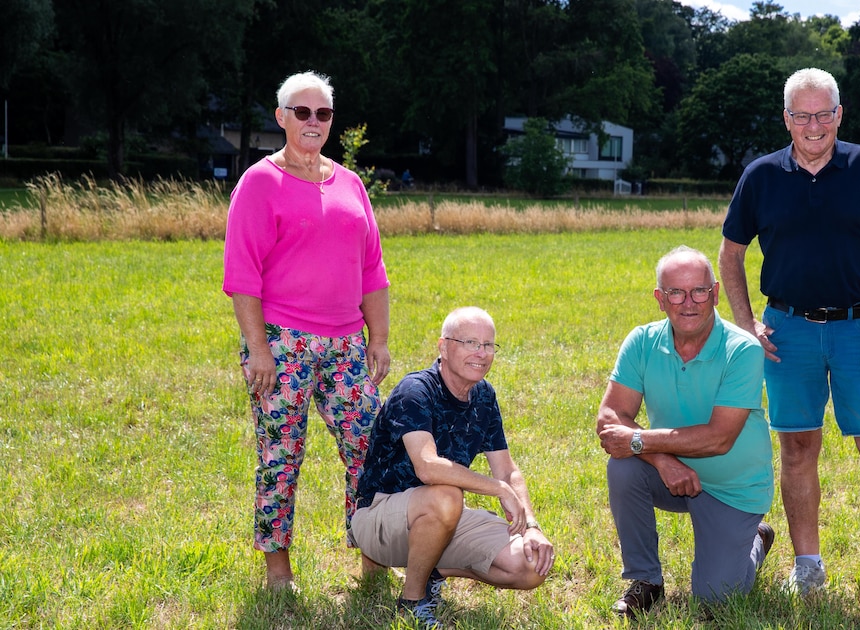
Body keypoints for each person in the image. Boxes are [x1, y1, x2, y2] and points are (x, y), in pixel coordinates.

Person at [718, 67, 860, 606]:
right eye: (802, 115)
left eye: (823, 113)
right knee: (798, 447)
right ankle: (807, 565)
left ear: (839, 114)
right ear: (787, 118)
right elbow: (730, 255)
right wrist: (746, 322)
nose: (814, 125)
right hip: (788, 331)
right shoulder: (760, 176)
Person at [222, 71, 391, 590]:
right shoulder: (258, 182)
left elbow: (372, 269)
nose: (313, 122)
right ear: (282, 117)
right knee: (281, 453)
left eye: (323, 113)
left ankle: (372, 556)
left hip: (346, 345)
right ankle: (278, 570)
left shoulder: (350, 183)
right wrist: (258, 351)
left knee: (371, 446)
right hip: (282, 343)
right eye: (302, 112)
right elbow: (242, 275)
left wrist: (379, 339)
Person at [596, 245, 775, 617]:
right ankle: (646, 580)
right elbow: (611, 418)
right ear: (660, 299)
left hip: (734, 490)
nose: (688, 302)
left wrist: (639, 440)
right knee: (625, 467)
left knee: (714, 603)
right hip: (675, 475)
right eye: (676, 292)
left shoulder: (743, 350)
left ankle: (756, 541)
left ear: (715, 293)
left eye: (699, 291)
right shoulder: (642, 341)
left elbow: (718, 438)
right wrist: (661, 460)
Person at [352, 307, 554, 629]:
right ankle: (413, 602)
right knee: (446, 495)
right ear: (443, 347)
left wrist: (531, 524)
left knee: (530, 566)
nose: (481, 353)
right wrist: (496, 489)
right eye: (470, 342)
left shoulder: (484, 396)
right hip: (379, 517)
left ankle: (431, 569)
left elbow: (507, 470)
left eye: (488, 345)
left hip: (441, 518)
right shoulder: (415, 391)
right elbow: (428, 468)